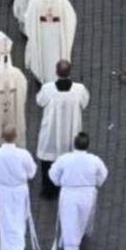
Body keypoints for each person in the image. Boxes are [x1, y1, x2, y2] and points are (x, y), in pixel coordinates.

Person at [48, 132, 109, 250]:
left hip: (69, 192)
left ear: (74, 144)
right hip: (87, 193)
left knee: (69, 221)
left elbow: (53, 173)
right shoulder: (94, 160)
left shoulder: (65, 159)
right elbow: (103, 174)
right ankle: (76, 243)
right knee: (82, 218)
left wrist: (59, 183)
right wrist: (96, 183)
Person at [35, 61, 90, 197]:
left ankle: (49, 190)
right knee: (70, 158)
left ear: (56, 71)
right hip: (71, 131)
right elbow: (85, 103)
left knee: (48, 161)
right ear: (70, 72)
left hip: (51, 132)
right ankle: (67, 184)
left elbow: (39, 101)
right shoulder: (79, 89)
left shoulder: (47, 89)